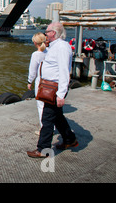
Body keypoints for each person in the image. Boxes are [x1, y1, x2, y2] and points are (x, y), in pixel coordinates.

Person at [27, 22, 78, 158]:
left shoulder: (61, 47)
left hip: (54, 89)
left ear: (53, 33)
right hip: (51, 87)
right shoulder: (55, 47)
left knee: (47, 118)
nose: (45, 34)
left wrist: (61, 94)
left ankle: (43, 149)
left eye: (47, 31)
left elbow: (64, 71)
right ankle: (70, 139)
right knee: (57, 117)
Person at [27, 32, 48, 133]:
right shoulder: (49, 52)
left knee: (41, 106)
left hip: (40, 82)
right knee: (49, 106)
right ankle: (51, 127)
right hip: (50, 82)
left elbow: (33, 71)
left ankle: (43, 129)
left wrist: (29, 81)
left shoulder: (36, 54)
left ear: (35, 43)